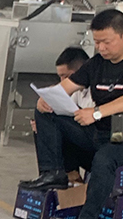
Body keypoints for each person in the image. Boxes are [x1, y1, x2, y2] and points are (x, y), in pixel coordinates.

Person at [20, 9, 123, 219]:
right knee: (45, 113)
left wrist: (97, 112)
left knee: (104, 159)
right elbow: (67, 85)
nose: (101, 48)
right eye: (96, 42)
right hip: (96, 131)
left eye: (106, 42)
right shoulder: (97, 63)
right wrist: (47, 98)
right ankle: (53, 173)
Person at [30, 46, 90, 178]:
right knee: (43, 123)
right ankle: (56, 175)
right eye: (60, 77)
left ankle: (60, 175)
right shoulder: (75, 91)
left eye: (66, 76)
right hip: (82, 140)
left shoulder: (95, 91)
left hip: (96, 143)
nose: (63, 82)